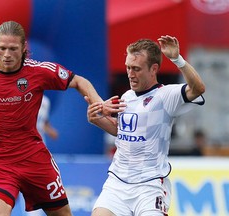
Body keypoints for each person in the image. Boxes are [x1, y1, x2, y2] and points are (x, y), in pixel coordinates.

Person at [0, 21, 119, 216]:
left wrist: (99, 103)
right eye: (2, 48)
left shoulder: (39, 72)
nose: (7, 54)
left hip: (34, 160)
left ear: (24, 47)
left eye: (13, 49)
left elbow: (78, 81)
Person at [85, 35, 205, 216]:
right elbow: (124, 133)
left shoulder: (166, 95)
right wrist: (96, 119)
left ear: (153, 69)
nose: (130, 74)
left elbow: (198, 89)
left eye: (136, 69)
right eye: (127, 67)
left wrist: (177, 60)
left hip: (150, 185)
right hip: (117, 183)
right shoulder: (126, 96)